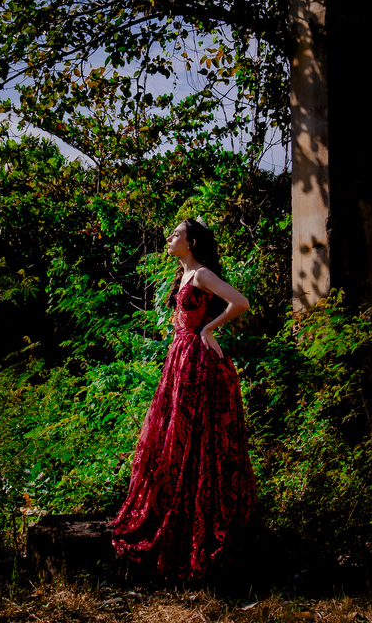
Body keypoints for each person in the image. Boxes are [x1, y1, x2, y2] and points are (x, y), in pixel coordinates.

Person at [110, 218, 256, 581]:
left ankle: (200, 531)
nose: (169, 237)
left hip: (198, 362)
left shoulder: (202, 274)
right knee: (178, 438)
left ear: (191, 242)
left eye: (175, 233)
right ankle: (180, 521)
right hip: (182, 358)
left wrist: (208, 328)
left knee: (196, 441)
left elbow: (241, 302)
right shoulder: (185, 275)